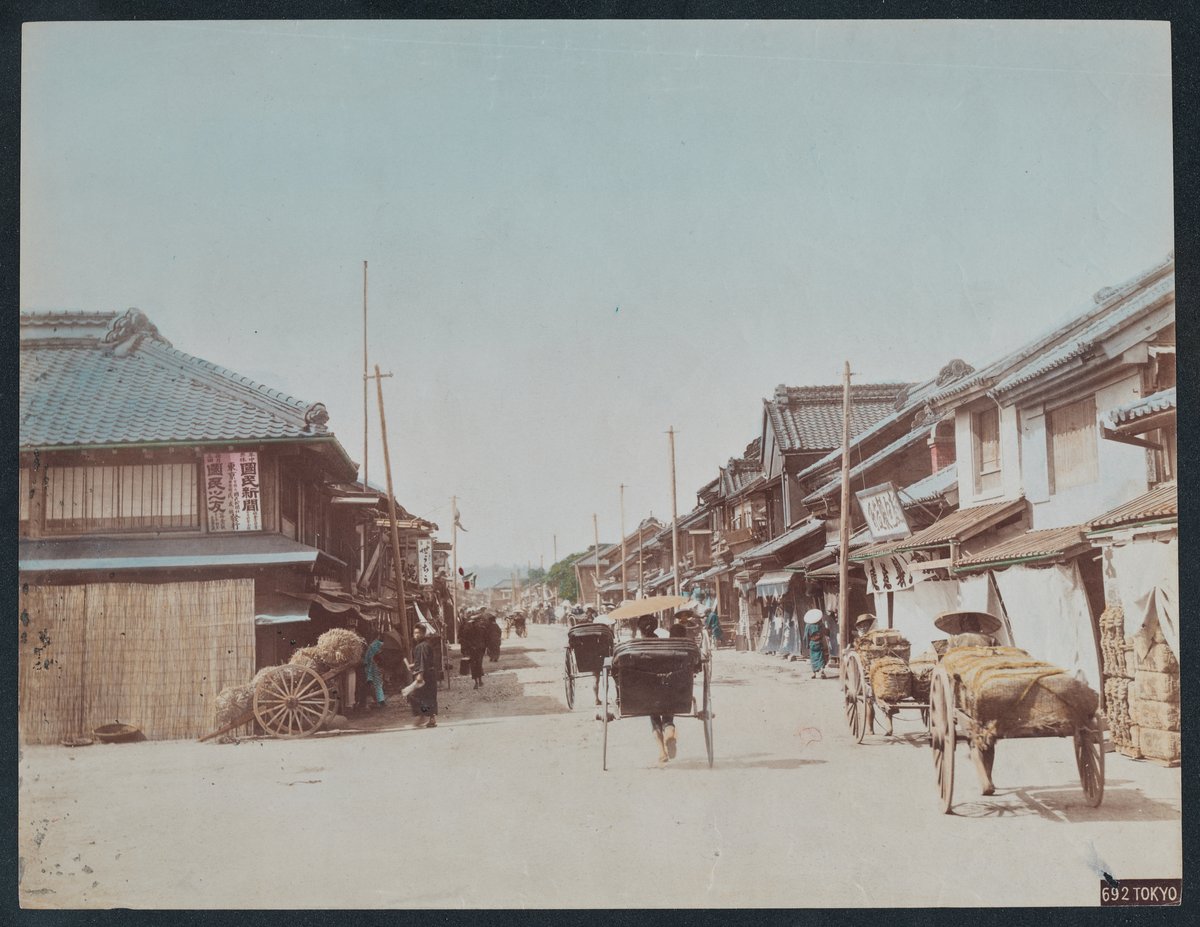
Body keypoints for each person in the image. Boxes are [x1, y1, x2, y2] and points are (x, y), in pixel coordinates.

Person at [637, 614, 677, 764]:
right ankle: (669, 731)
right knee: (667, 713)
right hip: (666, 689)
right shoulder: (665, 646)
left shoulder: (635, 648)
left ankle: (661, 751)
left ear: (640, 630)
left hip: (647, 692)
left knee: (654, 717)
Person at [402, 624, 439, 728]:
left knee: (414, 696)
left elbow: (422, 661)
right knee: (428, 696)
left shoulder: (421, 646)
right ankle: (431, 719)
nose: (416, 635)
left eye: (418, 633)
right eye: (415, 633)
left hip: (424, 675)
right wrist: (414, 665)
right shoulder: (425, 645)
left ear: (423, 633)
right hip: (430, 674)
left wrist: (420, 674)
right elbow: (425, 660)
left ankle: (421, 716)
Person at [460, 614, 486, 688]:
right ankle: (478, 681)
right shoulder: (481, 629)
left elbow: (464, 640)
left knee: (475, 666)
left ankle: (478, 682)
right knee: (477, 665)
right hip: (476, 650)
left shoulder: (469, 630)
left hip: (475, 650)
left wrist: (466, 649)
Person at [803, 608, 828, 679]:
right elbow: (825, 632)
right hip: (820, 642)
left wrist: (807, 645)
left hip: (812, 643)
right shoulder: (821, 625)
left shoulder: (808, 626)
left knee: (813, 658)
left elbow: (806, 636)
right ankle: (822, 671)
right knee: (821, 657)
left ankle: (814, 673)